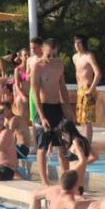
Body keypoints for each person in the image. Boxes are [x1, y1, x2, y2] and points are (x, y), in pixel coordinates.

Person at [32, 38, 71, 186]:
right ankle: (45, 181)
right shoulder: (38, 67)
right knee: (42, 147)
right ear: (42, 50)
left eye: (54, 55)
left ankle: (65, 181)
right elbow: (35, 93)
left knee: (63, 145)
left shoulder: (59, 64)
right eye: (49, 55)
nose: (51, 58)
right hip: (44, 107)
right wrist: (42, 117)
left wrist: (68, 109)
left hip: (57, 108)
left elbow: (63, 87)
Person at [27, 170, 93, 209]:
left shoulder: (53, 190)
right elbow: (74, 206)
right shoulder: (68, 200)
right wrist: (92, 201)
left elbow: (35, 195)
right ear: (75, 186)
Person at [72, 35, 102, 144]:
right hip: (80, 89)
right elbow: (77, 73)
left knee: (87, 119)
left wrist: (91, 88)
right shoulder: (75, 57)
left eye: (79, 43)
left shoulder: (89, 56)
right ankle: (84, 142)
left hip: (88, 87)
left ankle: (87, 144)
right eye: (76, 43)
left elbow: (98, 73)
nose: (77, 45)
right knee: (81, 120)